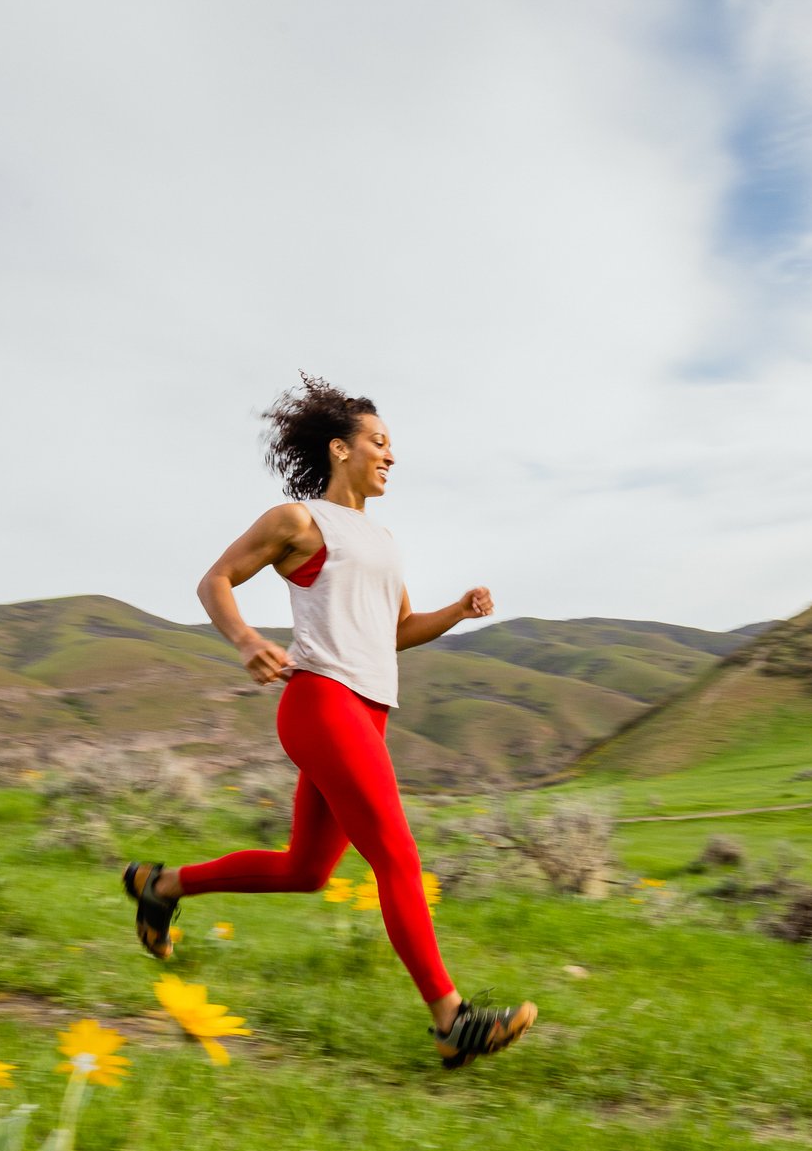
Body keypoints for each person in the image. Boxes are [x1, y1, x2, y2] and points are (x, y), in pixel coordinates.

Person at [122, 376, 537, 1069]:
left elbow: (398, 629)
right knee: (397, 857)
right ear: (340, 448)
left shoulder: (380, 538)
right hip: (321, 702)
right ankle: (450, 1019)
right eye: (379, 442)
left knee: (307, 870)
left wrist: (457, 611)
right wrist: (248, 640)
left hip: (367, 713)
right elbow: (215, 580)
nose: (390, 456)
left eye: (390, 445)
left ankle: (160, 886)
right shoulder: (298, 522)